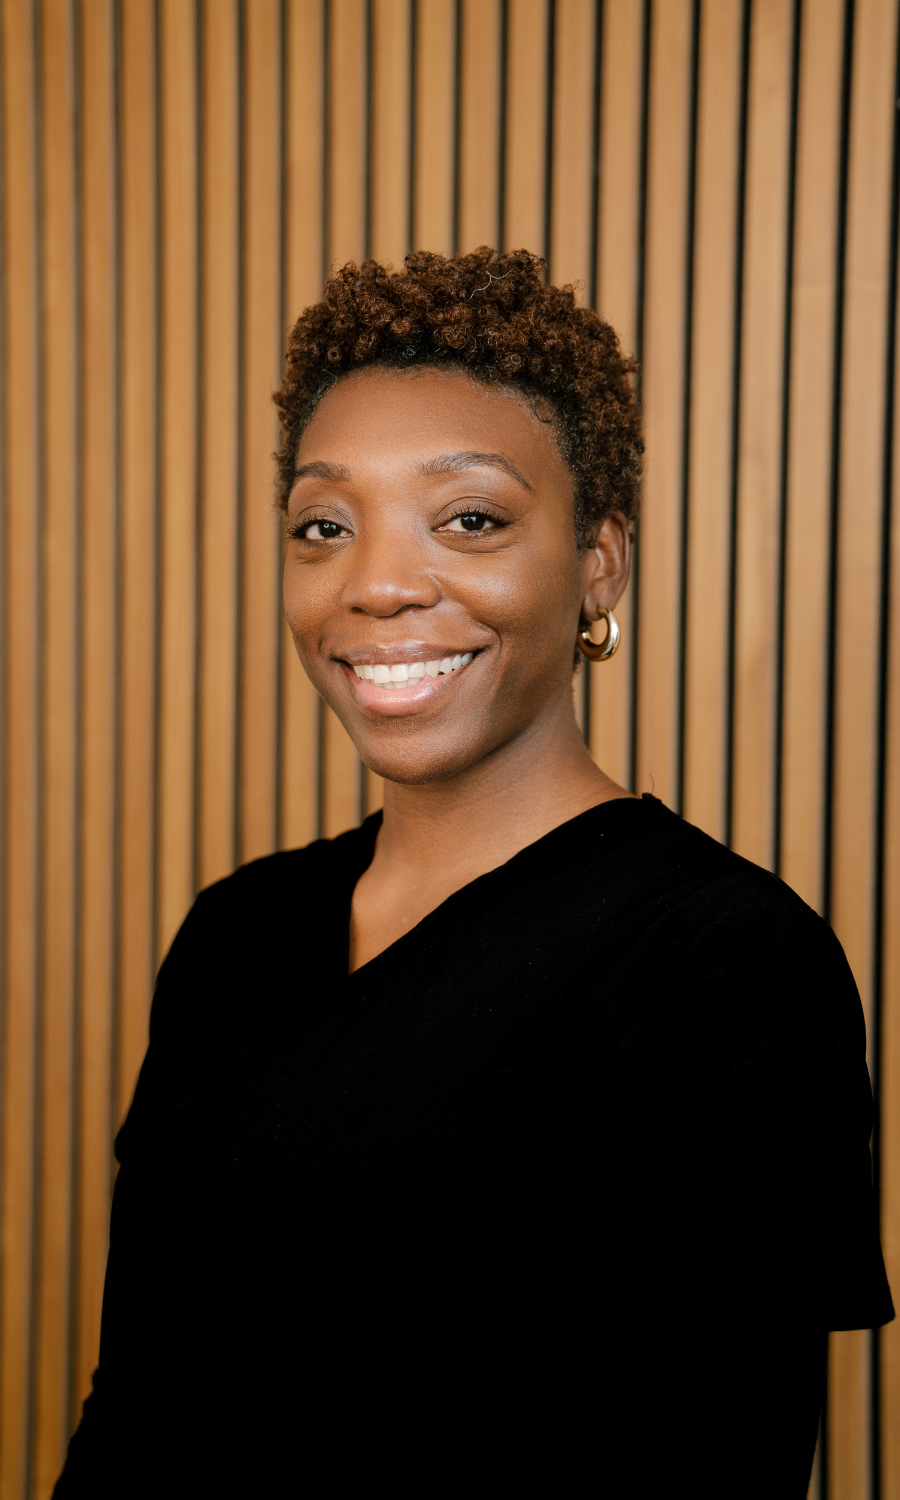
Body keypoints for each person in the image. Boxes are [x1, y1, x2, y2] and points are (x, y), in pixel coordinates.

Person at [55, 248, 892, 1497]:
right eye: (324, 526)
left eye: (471, 520)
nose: (379, 585)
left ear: (598, 562)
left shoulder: (724, 962)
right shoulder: (239, 931)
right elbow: (136, 1410)